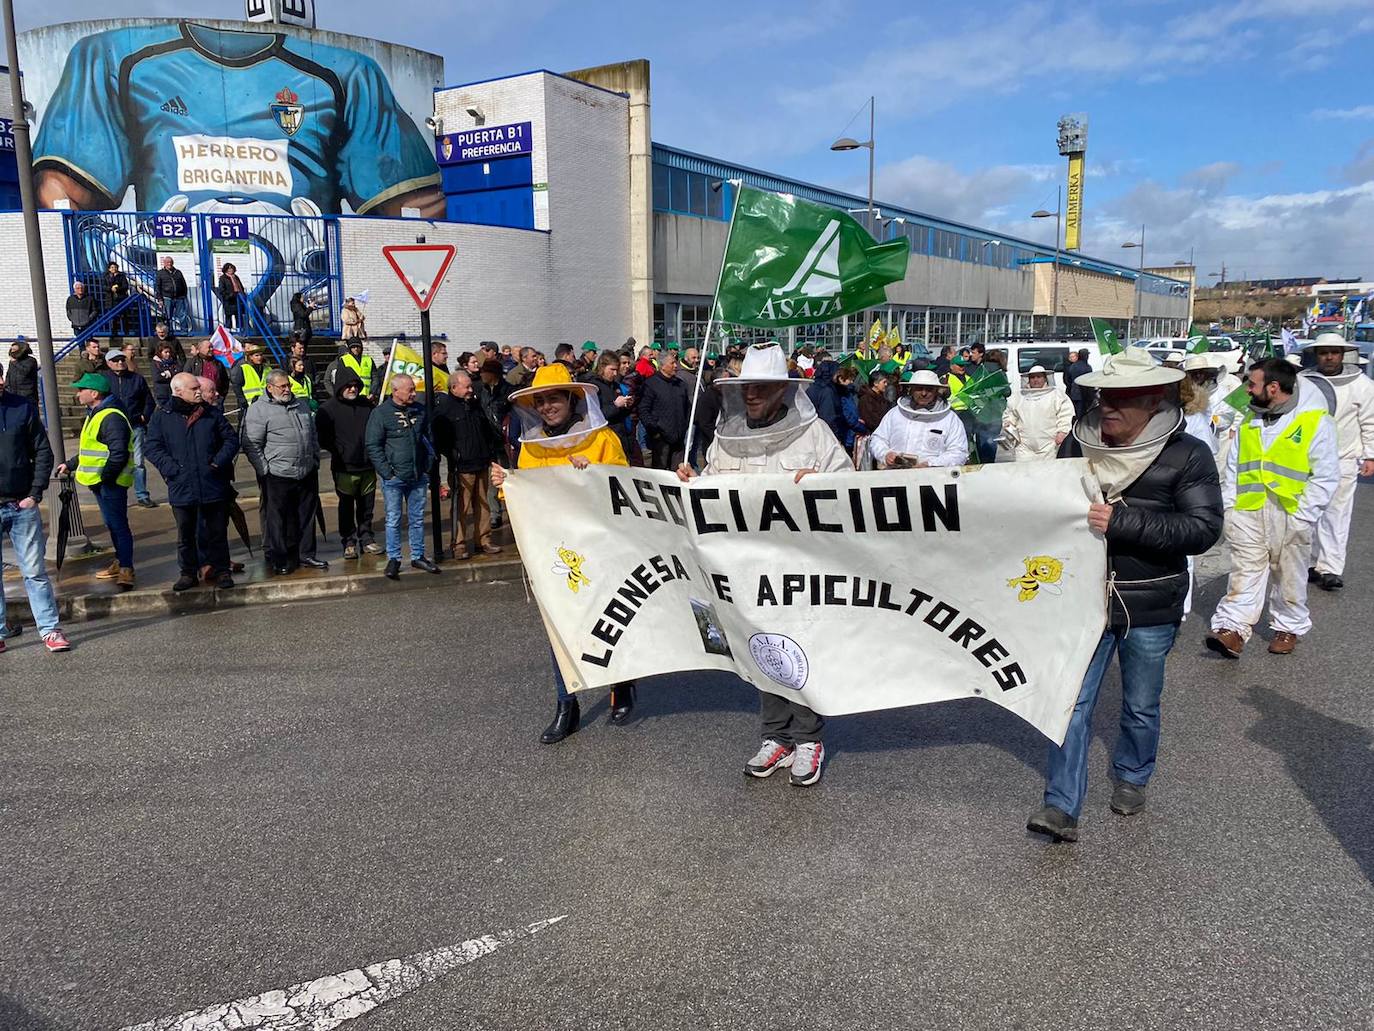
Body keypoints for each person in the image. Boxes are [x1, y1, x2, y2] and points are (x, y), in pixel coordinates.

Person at [1027, 348, 1223, 843]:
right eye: (1103, 396)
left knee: (1139, 704)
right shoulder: (1076, 444)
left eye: (1122, 398)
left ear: (1155, 399)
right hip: (1082, 600)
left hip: (1150, 603)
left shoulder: (1188, 453)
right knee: (1070, 702)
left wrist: (1125, 522)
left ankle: (1133, 777)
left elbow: (1203, 529)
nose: (1107, 406)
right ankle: (1061, 805)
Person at [676, 343, 850, 786]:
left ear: (783, 392)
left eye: (762, 387)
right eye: (746, 386)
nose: (751, 394)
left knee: (801, 648)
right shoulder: (727, 436)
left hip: (799, 566)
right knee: (762, 649)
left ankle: (809, 738)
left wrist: (822, 484)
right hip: (745, 568)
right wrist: (691, 481)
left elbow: (849, 485)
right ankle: (777, 737)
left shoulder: (814, 435)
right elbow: (711, 486)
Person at [489, 363, 633, 742]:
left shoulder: (603, 439)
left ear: (572, 399)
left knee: (610, 622)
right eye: (541, 400)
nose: (548, 406)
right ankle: (566, 706)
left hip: (600, 549)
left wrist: (594, 476)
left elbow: (625, 489)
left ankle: (622, 686)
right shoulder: (531, 447)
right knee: (559, 629)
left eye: (554, 398)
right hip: (555, 552)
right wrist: (506, 483)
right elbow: (524, 496)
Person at [1206, 358, 1340, 659]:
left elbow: (1326, 475)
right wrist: (1230, 509)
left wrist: (1302, 516)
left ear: (1274, 387)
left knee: (1288, 574)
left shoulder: (1315, 422)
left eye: (1252, 385)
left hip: (1290, 513)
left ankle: (1287, 626)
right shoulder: (1250, 420)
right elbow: (1233, 469)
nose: (1247, 391)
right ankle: (1233, 629)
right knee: (1245, 570)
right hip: (1248, 510)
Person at [145, 374, 239, 591]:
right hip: (182, 485)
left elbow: (231, 439)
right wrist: (171, 470)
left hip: (211, 482)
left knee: (217, 532)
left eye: (199, 387)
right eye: (193, 388)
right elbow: (153, 447)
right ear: (178, 391)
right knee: (185, 533)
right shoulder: (163, 416)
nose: (199, 391)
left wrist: (217, 463)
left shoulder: (211, 413)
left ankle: (222, 570)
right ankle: (188, 572)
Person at [0, 362, 70, 654]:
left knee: (34, 572)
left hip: (20, 502)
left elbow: (42, 449)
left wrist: (34, 492)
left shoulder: (21, 407)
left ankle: (50, 630)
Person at [1299, 334, 1374, 591]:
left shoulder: (1362, 385)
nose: (1329, 357)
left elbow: (1370, 422)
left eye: (1334, 352)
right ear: (1316, 355)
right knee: (1307, 512)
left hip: (1343, 458)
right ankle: (1309, 562)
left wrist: (1370, 455)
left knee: (1336, 515)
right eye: (1324, 352)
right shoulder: (1304, 381)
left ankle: (1331, 568)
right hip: (1306, 460)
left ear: (1343, 355)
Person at [241, 371, 328, 575]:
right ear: (270, 388)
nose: (287, 389)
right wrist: (264, 469)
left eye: (287, 385)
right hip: (277, 473)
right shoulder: (258, 410)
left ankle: (306, 554)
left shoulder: (301, 405)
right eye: (282, 386)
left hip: (305, 471)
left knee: (306, 515)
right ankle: (280, 557)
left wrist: (315, 459)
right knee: (278, 519)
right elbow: (251, 443)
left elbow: (312, 434)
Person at [62, 372, 136, 590]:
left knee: (119, 525)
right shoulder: (95, 413)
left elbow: (118, 453)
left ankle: (126, 568)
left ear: (94, 393)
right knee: (112, 524)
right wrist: (72, 463)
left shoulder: (110, 416)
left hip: (110, 482)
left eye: (80, 390)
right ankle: (121, 562)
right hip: (102, 482)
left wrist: (105, 478)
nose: (77, 394)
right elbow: (91, 448)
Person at [365, 373, 439, 579]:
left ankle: (418, 555)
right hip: (395, 478)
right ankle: (394, 558)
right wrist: (387, 473)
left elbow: (430, 439)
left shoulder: (420, 411)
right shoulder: (381, 414)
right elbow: (373, 445)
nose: (414, 393)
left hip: (418, 475)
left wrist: (427, 465)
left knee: (416, 519)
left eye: (414, 389)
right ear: (395, 391)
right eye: (410, 390)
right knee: (393, 519)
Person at [433, 371, 503, 559]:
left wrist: (491, 454)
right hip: (461, 467)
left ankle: (484, 540)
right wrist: (453, 454)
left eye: (471, 386)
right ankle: (459, 544)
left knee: (483, 504)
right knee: (461, 508)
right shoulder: (445, 410)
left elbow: (486, 431)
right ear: (454, 387)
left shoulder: (475, 405)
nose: (471, 390)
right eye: (467, 387)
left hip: (481, 462)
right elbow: (440, 439)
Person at [316, 369, 380, 560]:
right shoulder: (327, 409)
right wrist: (340, 451)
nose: (352, 389)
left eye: (355, 386)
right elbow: (323, 438)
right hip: (344, 467)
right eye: (348, 385)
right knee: (346, 505)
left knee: (366, 506)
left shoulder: (366, 405)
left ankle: (366, 537)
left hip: (367, 465)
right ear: (340, 386)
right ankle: (349, 540)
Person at [866, 369, 970, 469]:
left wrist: (931, 464)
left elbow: (959, 452)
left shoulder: (949, 419)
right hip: (895, 478)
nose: (923, 393)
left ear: (936, 391)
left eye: (929, 389)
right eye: (919, 388)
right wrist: (885, 454)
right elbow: (877, 439)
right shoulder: (895, 413)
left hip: (935, 480)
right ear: (911, 389)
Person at [102, 348, 158, 508]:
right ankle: (114, 494)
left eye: (121, 360)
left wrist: (143, 416)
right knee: (113, 460)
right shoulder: (104, 380)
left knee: (138, 462)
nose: (120, 363)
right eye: (115, 360)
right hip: (112, 428)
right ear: (108, 363)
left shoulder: (137, 379)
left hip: (135, 425)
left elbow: (149, 400)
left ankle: (142, 494)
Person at [1002, 365, 1073, 461]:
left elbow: (1065, 414)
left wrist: (1062, 431)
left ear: (1045, 378)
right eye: (1032, 377)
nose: (1035, 380)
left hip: (1049, 444)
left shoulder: (1057, 395)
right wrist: (1009, 425)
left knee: (1047, 472)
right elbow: (1010, 414)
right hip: (1023, 445)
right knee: (1024, 472)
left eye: (1039, 377)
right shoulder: (1018, 397)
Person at [637, 350, 690, 469]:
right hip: (660, 439)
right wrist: (654, 431)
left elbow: (687, 407)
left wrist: (684, 427)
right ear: (662, 365)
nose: (675, 366)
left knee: (678, 472)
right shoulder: (651, 384)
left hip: (678, 438)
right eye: (672, 363)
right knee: (660, 472)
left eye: (675, 363)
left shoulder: (680, 385)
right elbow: (643, 409)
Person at [592, 351, 635, 460]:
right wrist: (616, 405)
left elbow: (622, 413)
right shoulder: (594, 387)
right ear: (602, 367)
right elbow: (595, 416)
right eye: (612, 370)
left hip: (622, 436)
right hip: (605, 440)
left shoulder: (615, 385)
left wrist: (627, 405)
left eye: (617, 370)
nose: (615, 374)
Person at [182, 338, 229, 406]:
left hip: (215, 399)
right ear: (200, 349)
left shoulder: (218, 363)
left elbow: (225, 380)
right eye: (209, 347)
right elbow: (186, 380)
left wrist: (222, 396)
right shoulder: (191, 363)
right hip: (198, 399)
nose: (211, 349)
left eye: (212, 347)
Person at [230, 345, 272, 414]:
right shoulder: (243, 368)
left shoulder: (268, 369)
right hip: (249, 405)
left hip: (266, 402)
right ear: (250, 357)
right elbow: (237, 385)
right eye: (257, 355)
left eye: (261, 355)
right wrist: (242, 400)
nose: (260, 357)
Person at [155, 256, 189, 331]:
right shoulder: (160, 273)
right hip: (167, 297)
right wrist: (160, 299)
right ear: (164, 263)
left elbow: (183, 284)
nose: (169, 264)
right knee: (167, 316)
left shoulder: (178, 272)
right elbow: (158, 286)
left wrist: (184, 295)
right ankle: (168, 331)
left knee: (182, 315)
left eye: (170, 262)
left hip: (179, 297)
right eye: (167, 262)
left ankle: (184, 331)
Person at [6, 336, 40, 409]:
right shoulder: (12, 362)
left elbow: (25, 372)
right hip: (12, 393)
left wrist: (15, 362)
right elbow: (9, 375)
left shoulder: (30, 360)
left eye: (14, 349)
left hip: (26, 394)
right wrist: (7, 387)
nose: (12, 351)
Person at [858, 370, 893, 435]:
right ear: (875, 383)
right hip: (873, 434)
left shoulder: (881, 397)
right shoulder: (866, 399)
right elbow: (872, 421)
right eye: (884, 382)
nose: (886, 384)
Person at [102, 261, 131, 337]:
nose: (113, 269)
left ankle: (126, 331)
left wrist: (117, 288)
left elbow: (125, 286)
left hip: (121, 298)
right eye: (112, 267)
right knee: (113, 317)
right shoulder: (106, 276)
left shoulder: (121, 276)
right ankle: (114, 333)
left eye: (115, 267)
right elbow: (104, 287)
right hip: (111, 299)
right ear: (109, 269)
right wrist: (110, 288)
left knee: (124, 316)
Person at [217, 262, 248, 330]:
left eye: (232, 268)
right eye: (229, 269)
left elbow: (240, 286)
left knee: (239, 315)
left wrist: (242, 293)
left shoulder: (235, 277)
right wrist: (229, 295)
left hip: (237, 298)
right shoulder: (223, 278)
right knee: (228, 316)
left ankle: (240, 329)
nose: (231, 270)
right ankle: (228, 330)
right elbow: (221, 290)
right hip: (229, 300)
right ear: (226, 270)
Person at [1064, 349, 1093, 420]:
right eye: (1087, 355)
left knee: (1077, 413)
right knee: (1084, 414)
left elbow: (1067, 380)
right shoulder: (1087, 367)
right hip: (1085, 394)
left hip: (1075, 394)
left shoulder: (1073, 366)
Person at [150, 342, 180, 408]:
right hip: (161, 393)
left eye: (169, 352)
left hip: (173, 391)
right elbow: (157, 377)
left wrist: (167, 374)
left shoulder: (173, 362)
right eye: (166, 352)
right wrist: (171, 373)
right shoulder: (155, 363)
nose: (168, 354)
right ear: (160, 352)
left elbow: (178, 372)